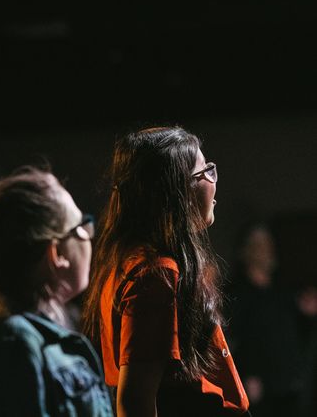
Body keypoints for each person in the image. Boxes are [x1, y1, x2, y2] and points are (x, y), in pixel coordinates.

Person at [82, 126, 250, 416]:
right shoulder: (155, 274)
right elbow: (135, 401)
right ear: (177, 190)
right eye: (205, 172)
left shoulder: (133, 263)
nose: (213, 180)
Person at [0, 165, 114, 416]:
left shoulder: (52, 330)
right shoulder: (18, 343)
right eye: (82, 227)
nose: (90, 237)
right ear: (57, 254)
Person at [225, 220, 313, 417]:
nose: (267, 249)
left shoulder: (282, 291)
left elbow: (298, 334)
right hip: (260, 393)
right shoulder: (237, 295)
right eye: (259, 244)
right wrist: (246, 374)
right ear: (245, 251)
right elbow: (230, 341)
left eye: (268, 243)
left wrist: (307, 314)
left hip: (290, 389)